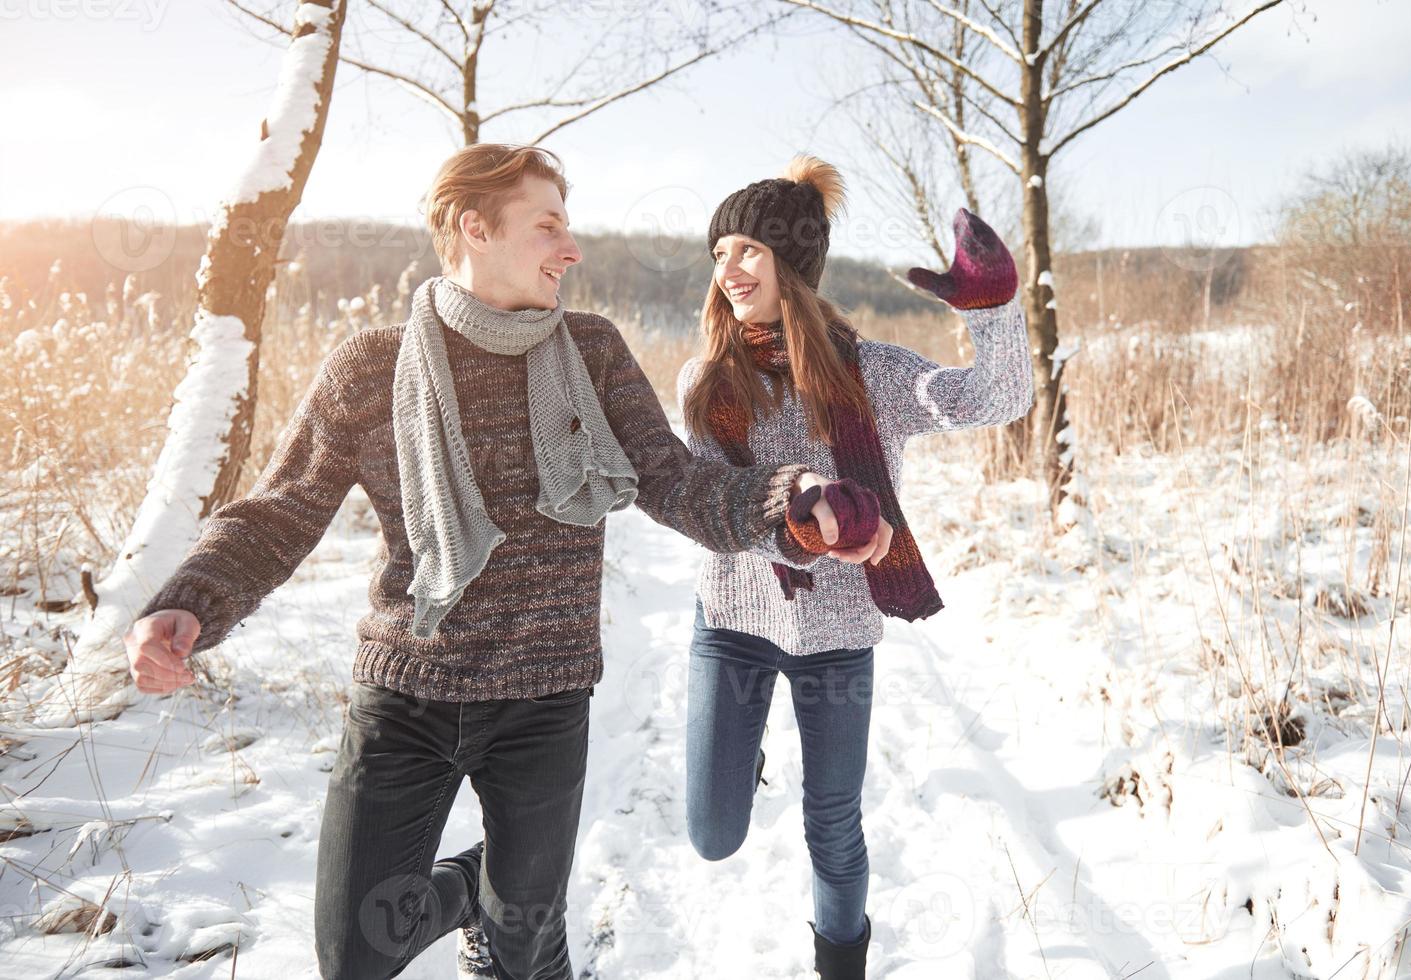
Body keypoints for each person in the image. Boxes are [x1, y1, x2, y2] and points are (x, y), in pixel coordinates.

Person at [123, 143, 878, 980]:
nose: (571, 247)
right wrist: (194, 597)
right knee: (354, 954)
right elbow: (280, 510)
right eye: (548, 224)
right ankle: (476, 886)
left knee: (523, 956)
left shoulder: (591, 353)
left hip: (544, 699)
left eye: (569, 224)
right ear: (474, 229)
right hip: (405, 694)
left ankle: (504, 909)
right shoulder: (368, 368)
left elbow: (675, 484)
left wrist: (789, 502)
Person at [676, 154, 1035, 978]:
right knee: (711, 835)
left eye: (746, 251)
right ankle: (740, 753)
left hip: (836, 632)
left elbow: (994, 398)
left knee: (831, 824)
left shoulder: (871, 373)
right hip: (732, 623)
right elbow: (709, 511)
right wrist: (800, 520)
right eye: (718, 254)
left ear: (791, 265)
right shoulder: (707, 381)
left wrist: (992, 311)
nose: (727, 270)